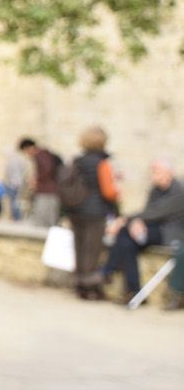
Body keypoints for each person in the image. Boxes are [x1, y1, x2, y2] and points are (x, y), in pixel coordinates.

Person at [101, 159, 184, 306]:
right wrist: (137, 222)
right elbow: (148, 213)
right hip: (154, 229)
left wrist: (125, 220)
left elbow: (156, 212)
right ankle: (133, 290)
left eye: (156, 171)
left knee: (125, 232)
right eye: (152, 171)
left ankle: (108, 270)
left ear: (169, 172)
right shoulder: (155, 190)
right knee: (127, 242)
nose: (153, 175)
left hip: (170, 234)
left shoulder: (178, 191)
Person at [68, 125, 121, 301]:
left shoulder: (77, 161)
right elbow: (108, 191)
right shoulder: (102, 162)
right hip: (95, 211)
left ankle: (79, 284)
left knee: (79, 248)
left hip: (76, 210)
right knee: (92, 250)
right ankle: (90, 287)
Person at [22, 137, 64, 228]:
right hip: (50, 191)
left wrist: (36, 180)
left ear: (29, 148)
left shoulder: (41, 155)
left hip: (46, 191)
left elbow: (47, 169)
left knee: (44, 220)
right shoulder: (46, 154)